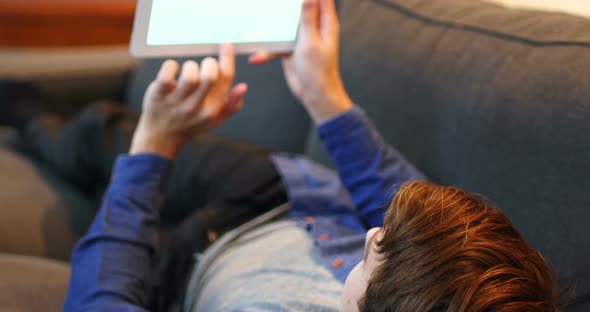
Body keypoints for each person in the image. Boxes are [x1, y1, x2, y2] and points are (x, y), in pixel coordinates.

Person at [50, 0, 558, 310]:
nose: (372, 229)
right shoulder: (489, 300)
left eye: (368, 259)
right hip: (286, 193)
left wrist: (154, 146)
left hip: (203, 255)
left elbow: (101, 302)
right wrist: (324, 95)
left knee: (120, 181)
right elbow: (412, 213)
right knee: (100, 133)